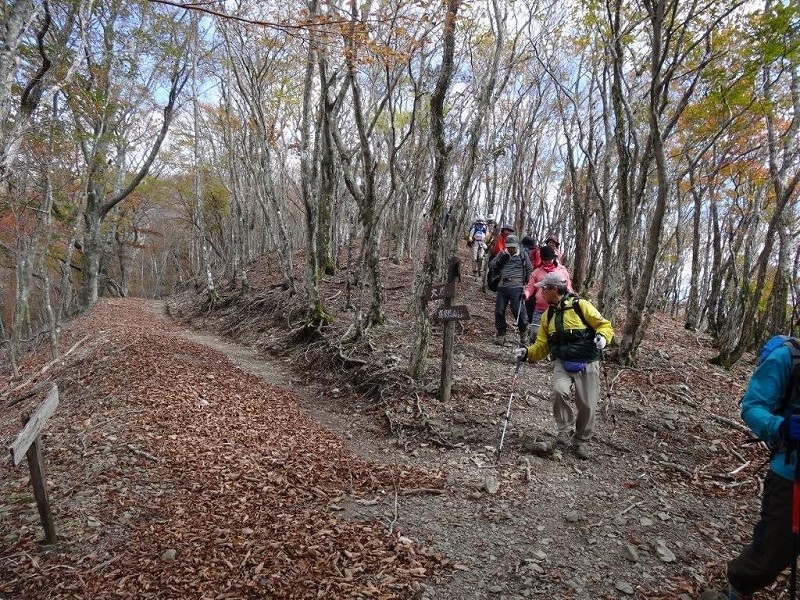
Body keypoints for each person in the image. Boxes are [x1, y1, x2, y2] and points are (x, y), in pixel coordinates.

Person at [720, 336, 800, 600]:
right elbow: (753, 406)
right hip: (791, 474)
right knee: (772, 552)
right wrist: (781, 427)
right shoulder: (786, 358)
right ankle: (738, 587)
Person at [514, 272, 613, 460]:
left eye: (544, 288)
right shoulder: (547, 316)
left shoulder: (581, 306)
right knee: (558, 392)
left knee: (588, 404)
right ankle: (564, 431)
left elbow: (604, 325)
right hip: (562, 361)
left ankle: (581, 440)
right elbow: (542, 345)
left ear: (554, 289)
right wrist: (527, 353)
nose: (540, 292)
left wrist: (603, 338)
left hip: (587, 360)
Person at [522, 245, 573, 342]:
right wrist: (526, 294)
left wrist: (571, 296)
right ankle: (532, 348)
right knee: (535, 333)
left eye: (549, 259)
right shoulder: (537, 271)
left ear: (554, 258)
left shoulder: (562, 270)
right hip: (540, 307)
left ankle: (550, 350)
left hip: (558, 308)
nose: (547, 261)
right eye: (545, 260)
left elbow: (568, 286)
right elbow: (530, 287)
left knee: (554, 333)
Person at [488, 234, 532, 346]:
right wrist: (500, 260)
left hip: (517, 286)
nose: (511, 249)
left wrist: (527, 286)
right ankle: (501, 334)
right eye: (509, 247)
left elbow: (529, 270)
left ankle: (523, 331)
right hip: (502, 286)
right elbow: (491, 265)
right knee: (499, 310)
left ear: (517, 245)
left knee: (517, 310)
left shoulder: (523, 255)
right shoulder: (502, 253)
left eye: (513, 247)